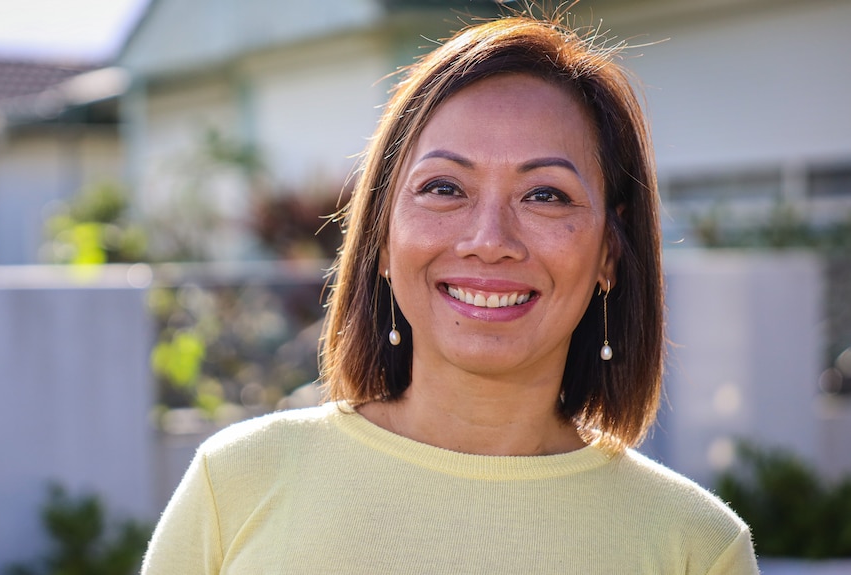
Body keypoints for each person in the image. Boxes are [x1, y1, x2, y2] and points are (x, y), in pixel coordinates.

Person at [141, 7, 759, 574]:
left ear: (608, 254)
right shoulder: (238, 483)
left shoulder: (695, 547)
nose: (489, 240)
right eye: (444, 188)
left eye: (545, 195)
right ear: (381, 239)